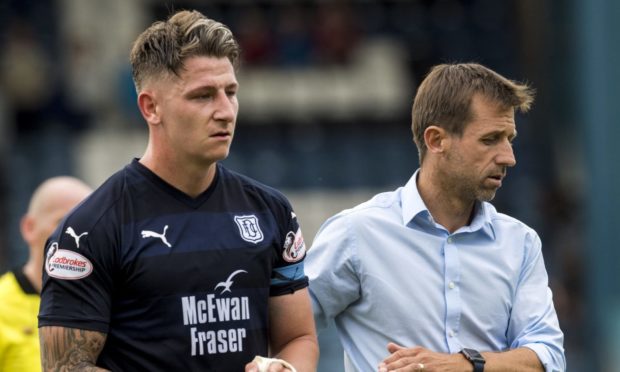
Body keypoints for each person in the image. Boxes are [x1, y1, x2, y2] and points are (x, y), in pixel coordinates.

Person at [38, 10, 318, 372]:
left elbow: (298, 338)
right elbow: (65, 367)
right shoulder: (89, 230)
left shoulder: (271, 211)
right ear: (151, 107)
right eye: (203, 96)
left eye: (230, 92)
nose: (225, 111)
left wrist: (287, 369)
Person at [306, 63, 566, 372]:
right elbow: (288, 329)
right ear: (436, 140)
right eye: (490, 139)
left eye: (509, 138)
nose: (508, 157)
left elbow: (548, 357)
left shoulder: (520, 243)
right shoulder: (355, 233)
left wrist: (465, 364)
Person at [0, 176, 92, 371]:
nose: (76, 236)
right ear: (29, 228)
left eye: (88, 225)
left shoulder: (109, 304)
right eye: (63, 223)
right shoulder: (3, 307)